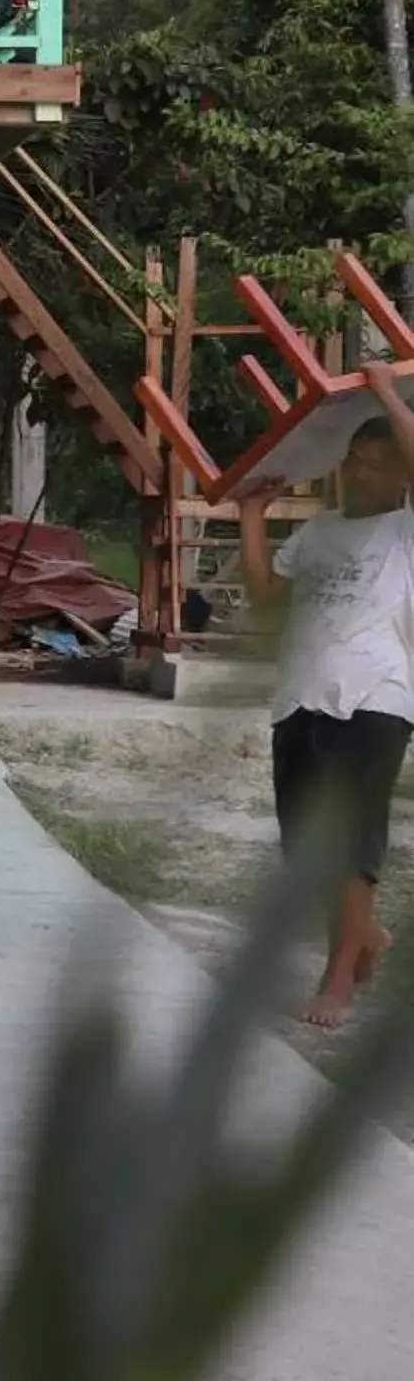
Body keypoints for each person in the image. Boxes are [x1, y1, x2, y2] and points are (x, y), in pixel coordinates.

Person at [239, 361, 414, 1026]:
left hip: (376, 696)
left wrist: (388, 395)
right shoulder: (317, 532)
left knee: (351, 847)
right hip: (299, 699)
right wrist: (252, 515)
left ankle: (339, 977)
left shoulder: (405, 532)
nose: (359, 474)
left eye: (378, 464)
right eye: (354, 461)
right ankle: (362, 938)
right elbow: (265, 600)